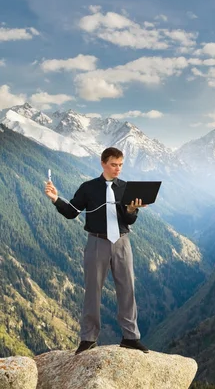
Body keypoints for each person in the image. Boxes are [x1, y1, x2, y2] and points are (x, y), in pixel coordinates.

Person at [44, 147, 149, 354]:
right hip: (96, 243)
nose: (117, 169)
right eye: (113, 165)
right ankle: (88, 338)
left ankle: (130, 337)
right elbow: (72, 213)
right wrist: (56, 199)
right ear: (103, 163)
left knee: (127, 290)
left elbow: (129, 220)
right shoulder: (88, 188)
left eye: (120, 165)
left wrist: (131, 210)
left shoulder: (127, 188)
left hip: (122, 242)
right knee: (92, 291)